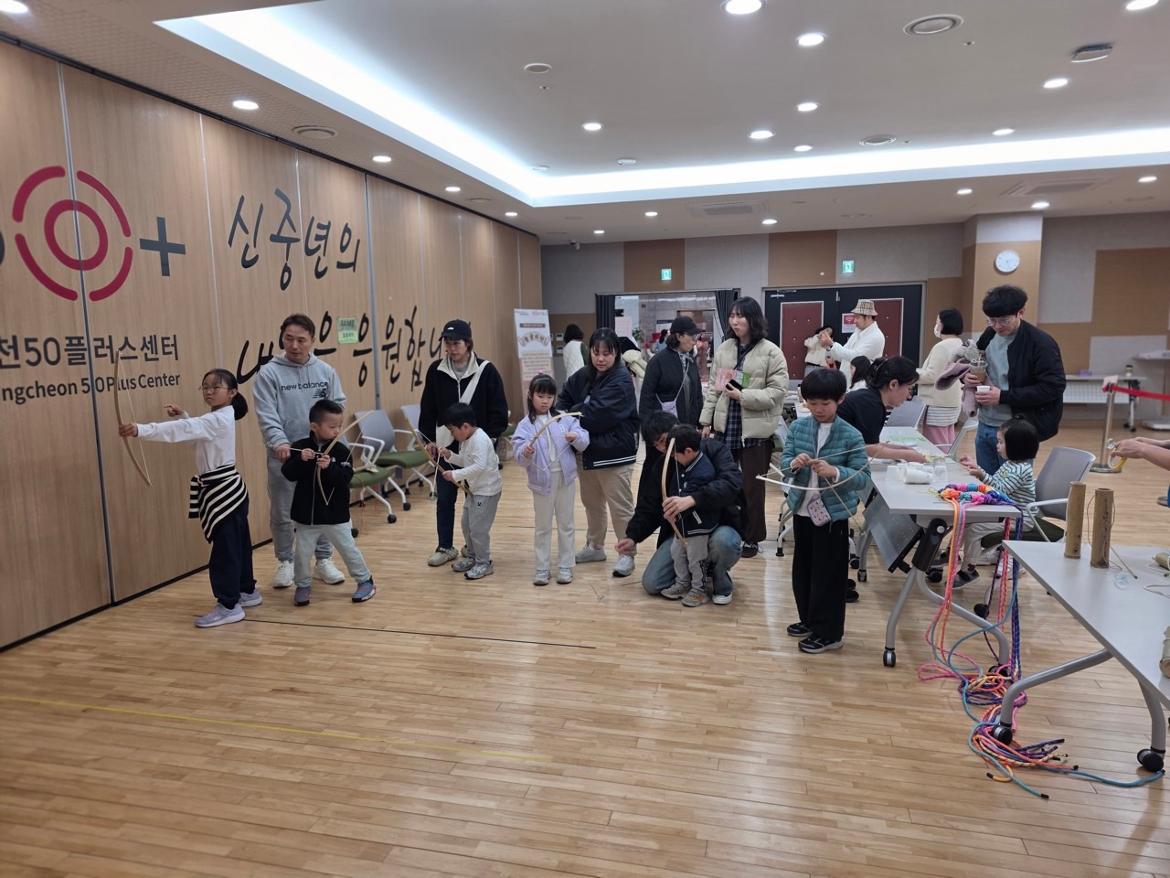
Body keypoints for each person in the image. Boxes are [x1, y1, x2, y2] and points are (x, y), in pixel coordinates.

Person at [119, 369, 258, 628]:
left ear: (232, 392)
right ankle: (246, 590)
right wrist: (184, 416)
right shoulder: (219, 417)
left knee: (226, 551)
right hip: (228, 489)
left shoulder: (218, 419)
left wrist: (141, 430)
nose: (208, 391)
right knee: (237, 544)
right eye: (205, 387)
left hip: (223, 491)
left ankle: (229, 605)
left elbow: (186, 429)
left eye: (215, 387)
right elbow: (196, 434)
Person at [780, 368, 871, 653]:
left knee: (828, 576)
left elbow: (863, 478)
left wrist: (835, 472)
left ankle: (829, 633)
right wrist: (793, 463)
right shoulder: (799, 428)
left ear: (840, 399)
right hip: (802, 510)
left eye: (825, 403)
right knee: (803, 571)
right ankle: (809, 620)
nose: (818, 409)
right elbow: (784, 465)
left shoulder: (851, 435)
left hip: (833, 516)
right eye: (812, 403)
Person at [254, 314, 347, 590]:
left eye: (301, 340)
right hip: (286, 454)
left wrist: (328, 438)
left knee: (322, 506)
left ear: (312, 340)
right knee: (283, 511)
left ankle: (324, 560)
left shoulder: (325, 371)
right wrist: (279, 442)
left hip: (319, 454)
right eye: (289, 339)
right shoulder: (268, 373)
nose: (294, 345)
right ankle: (286, 561)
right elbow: (266, 413)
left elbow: (337, 405)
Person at [618, 411, 745, 604]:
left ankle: (719, 580)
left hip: (718, 524)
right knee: (652, 582)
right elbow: (649, 505)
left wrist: (693, 499)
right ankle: (690, 578)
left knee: (724, 543)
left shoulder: (714, 449)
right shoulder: (662, 464)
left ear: (677, 430)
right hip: (684, 530)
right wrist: (633, 536)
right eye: (657, 445)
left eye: (664, 440)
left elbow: (731, 483)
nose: (663, 448)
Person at [700, 296, 788, 558]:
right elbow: (714, 390)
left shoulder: (771, 351)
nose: (735, 321)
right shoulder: (725, 349)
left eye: (740, 316)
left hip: (755, 433)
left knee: (752, 487)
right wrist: (705, 421)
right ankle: (726, 531)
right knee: (724, 483)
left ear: (753, 319)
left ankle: (752, 537)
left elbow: (777, 392)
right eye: (732, 316)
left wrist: (744, 396)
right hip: (725, 428)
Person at [419, 319, 509, 568]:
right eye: (447, 343)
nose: (451, 348)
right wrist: (428, 440)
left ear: (468, 343)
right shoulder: (436, 370)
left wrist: (486, 439)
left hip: (476, 445)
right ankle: (445, 547)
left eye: (456, 343)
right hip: (445, 445)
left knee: (476, 505)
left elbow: (499, 410)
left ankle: (475, 551)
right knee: (445, 499)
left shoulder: (487, 370)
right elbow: (428, 408)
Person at [558, 328, 641, 577]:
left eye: (607, 353)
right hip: (587, 452)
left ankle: (627, 554)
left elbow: (595, 415)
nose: (601, 358)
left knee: (620, 507)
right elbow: (563, 400)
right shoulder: (584, 375)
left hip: (615, 454)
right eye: (596, 352)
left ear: (616, 354)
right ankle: (595, 546)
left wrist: (575, 412)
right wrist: (576, 409)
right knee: (592, 504)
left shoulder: (622, 380)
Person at [280, 399, 376, 607]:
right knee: (302, 554)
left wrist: (329, 468)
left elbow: (345, 479)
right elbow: (288, 473)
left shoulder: (341, 451)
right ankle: (302, 585)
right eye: (332, 426)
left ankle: (365, 580)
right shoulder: (300, 447)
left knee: (348, 549)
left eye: (339, 426)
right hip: (306, 516)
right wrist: (300, 460)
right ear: (314, 426)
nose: (337, 430)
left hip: (335, 515)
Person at [964, 286, 1065, 476]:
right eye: (992, 320)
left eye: (1004, 320)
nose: (997, 326)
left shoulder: (1040, 343)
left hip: (1016, 429)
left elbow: (1053, 387)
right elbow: (976, 362)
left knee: (1013, 487)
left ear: (1021, 312)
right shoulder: (989, 334)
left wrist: (1003, 396)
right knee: (985, 484)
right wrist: (968, 376)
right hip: (985, 424)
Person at [512, 374, 590, 586]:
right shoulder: (525, 425)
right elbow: (519, 455)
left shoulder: (565, 418)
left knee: (566, 523)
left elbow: (584, 439)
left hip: (565, 478)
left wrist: (576, 438)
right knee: (543, 526)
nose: (545, 401)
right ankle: (542, 568)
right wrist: (525, 452)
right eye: (540, 396)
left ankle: (565, 566)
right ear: (531, 396)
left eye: (549, 396)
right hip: (541, 482)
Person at [956, 419, 1040, 584]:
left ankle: (968, 569)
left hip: (1019, 519)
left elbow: (1000, 492)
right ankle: (953, 554)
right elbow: (996, 483)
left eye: (1001, 442)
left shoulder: (1021, 470)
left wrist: (980, 475)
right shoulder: (1010, 464)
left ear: (1016, 446)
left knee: (975, 528)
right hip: (1006, 513)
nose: (997, 446)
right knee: (967, 520)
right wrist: (979, 470)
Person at [655, 424, 721, 607]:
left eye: (675, 454)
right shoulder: (686, 463)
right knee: (677, 553)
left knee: (696, 559)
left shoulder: (703, 470)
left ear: (689, 451)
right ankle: (683, 583)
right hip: (683, 524)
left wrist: (674, 509)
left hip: (698, 525)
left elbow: (690, 497)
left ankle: (699, 589)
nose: (673, 458)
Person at [439, 402, 503, 581]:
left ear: (465, 427)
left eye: (452, 431)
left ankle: (484, 563)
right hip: (474, 490)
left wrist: (454, 475)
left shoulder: (480, 440)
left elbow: (479, 466)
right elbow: (467, 461)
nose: (452, 435)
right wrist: (450, 456)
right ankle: (473, 556)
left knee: (478, 529)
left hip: (487, 491)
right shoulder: (466, 439)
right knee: (467, 525)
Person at [838, 357, 930, 463]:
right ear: (893, 384)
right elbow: (868, 448)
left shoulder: (871, 398)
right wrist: (906, 455)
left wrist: (904, 449)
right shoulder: (871, 404)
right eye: (909, 389)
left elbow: (870, 444)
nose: (909, 396)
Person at [640, 315, 703, 427]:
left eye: (696, 336)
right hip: (666, 428)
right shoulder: (657, 362)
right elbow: (646, 398)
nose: (694, 341)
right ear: (679, 336)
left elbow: (697, 394)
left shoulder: (690, 360)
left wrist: (701, 423)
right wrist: (647, 428)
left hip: (690, 428)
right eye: (691, 336)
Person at [917, 308, 966, 450]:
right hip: (951, 402)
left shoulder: (942, 347)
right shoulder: (959, 344)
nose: (936, 325)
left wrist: (910, 374)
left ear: (944, 324)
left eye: (937, 321)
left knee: (936, 448)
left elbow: (932, 376)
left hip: (937, 404)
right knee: (947, 444)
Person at [822, 300, 886, 384]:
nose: (854, 321)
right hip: (848, 382)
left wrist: (832, 344)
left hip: (862, 385)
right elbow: (842, 356)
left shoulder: (876, 336)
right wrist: (828, 347)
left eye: (857, 317)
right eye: (854, 317)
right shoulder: (857, 332)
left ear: (868, 317)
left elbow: (855, 358)